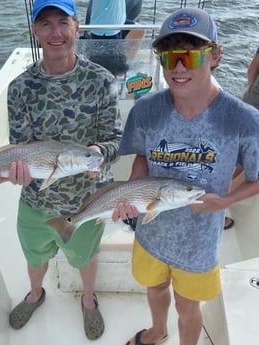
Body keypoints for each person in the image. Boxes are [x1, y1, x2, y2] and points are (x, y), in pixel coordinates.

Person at [112, 7, 259, 345]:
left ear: (216, 56)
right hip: (150, 234)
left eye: (191, 57)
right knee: (155, 288)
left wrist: (225, 201)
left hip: (199, 246)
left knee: (188, 305)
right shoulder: (145, 109)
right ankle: (158, 330)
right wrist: (131, 197)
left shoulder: (243, 120)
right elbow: (141, 158)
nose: (178, 68)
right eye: (169, 56)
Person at [0, 0, 122, 340]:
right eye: (46, 24)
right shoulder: (20, 87)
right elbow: (20, 145)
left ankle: (89, 299)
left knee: (85, 257)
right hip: (36, 198)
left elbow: (114, 139)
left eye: (62, 23)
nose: (55, 32)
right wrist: (15, 172)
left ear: (77, 28)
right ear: (35, 31)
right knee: (34, 256)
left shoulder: (101, 80)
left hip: (85, 200)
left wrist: (99, 152)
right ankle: (35, 294)